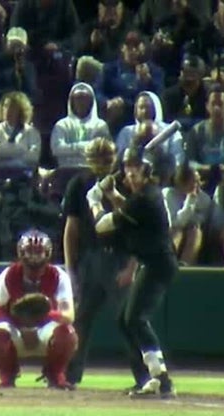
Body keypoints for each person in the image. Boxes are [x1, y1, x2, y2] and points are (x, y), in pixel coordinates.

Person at [89, 147, 178, 398]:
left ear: (147, 170)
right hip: (151, 263)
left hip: (159, 265)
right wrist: (110, 194)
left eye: (136, 167)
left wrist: (94, 201)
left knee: (136, 319)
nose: (130, 173)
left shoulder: (146, 197)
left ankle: (160, 378)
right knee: (124, 320)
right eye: (127, 167)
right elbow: (127, 210)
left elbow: (102, 225)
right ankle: (148, 377)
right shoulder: (142, 197)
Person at [62, 137, 141, 390]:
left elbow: (138, 228)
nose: (102, 163)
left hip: (119, 257)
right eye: (96, 158)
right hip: (90, 258)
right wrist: (70, 268)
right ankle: (69, 375)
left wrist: (131, 266)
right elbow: (71, 229)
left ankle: (145, 377)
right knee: (80, 319)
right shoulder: (79, 184)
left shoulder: (126, 183)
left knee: (128, 319)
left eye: (107, 157)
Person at [0, 229, 77, 389]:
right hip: (16, 328)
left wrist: (46, 315)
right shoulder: (9, 274)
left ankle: (55, 374)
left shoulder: (59, 276)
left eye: (38, 252)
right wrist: (18, 323)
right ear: (21, 252)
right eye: (30, 252)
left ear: (47, 253)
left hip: (46, 329)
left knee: (67, 334)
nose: (34, 257)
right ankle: (7, 374)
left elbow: (69, 315)